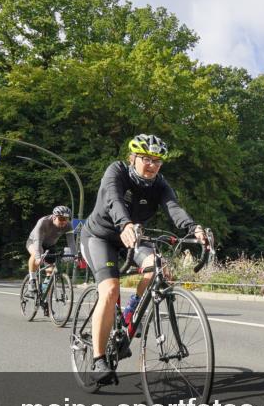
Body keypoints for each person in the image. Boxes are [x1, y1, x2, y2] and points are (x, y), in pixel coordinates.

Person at [81, 134, 209, 382]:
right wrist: (125, 223)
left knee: (159, 269)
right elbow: (113, 199)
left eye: (158, 161)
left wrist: (194, 229)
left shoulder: (160, 184)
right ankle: (98, 360)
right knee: (109, 290)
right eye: (147, 159)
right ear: (133, 158)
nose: (152, 165)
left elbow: (174, 208)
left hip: (134, 236)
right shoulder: (116, 171)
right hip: (100, 236)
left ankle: (130, 315)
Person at [25, 206, 77, 292]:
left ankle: (44, 297)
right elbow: (38, 241)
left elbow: (71, 242)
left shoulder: (68, 225)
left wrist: (75, 255)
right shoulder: (43, 222)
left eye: (66, 219)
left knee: (51, 273)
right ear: (54, 217)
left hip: (50, 246)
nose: (64, 222)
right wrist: (38, 257)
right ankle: (32, 280)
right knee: (35, 254)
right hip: (34, 242)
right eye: (61, 219)